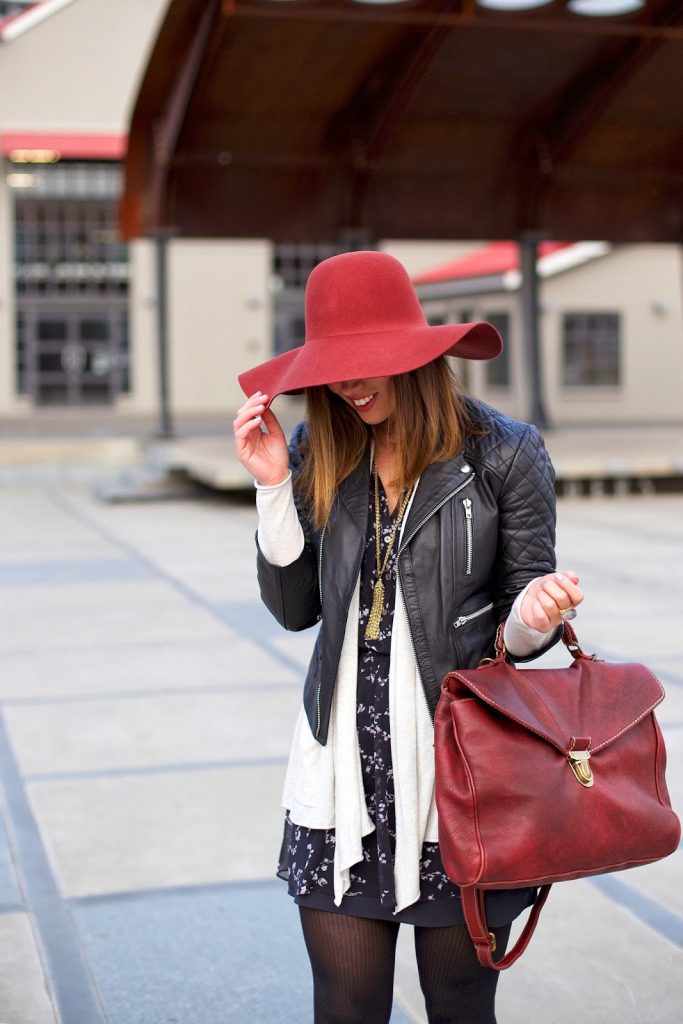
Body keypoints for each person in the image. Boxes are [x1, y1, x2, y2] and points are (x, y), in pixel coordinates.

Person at [233, 251, 583, 1024]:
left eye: (367, 364)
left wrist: (533, 617)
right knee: (346, 1004)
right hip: (340, 775)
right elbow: (294, 610)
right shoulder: (315, 445)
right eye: (333, 368)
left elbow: (517, 635)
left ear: (416, 356)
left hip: (457, 775)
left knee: (458, 1002)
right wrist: (270, 489)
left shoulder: (503, 453)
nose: (349, 384)